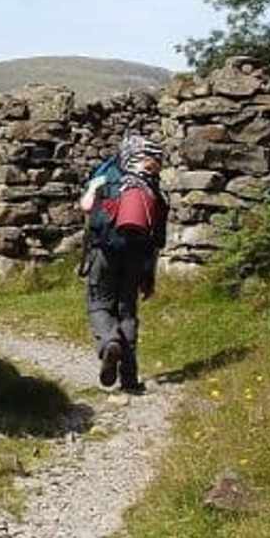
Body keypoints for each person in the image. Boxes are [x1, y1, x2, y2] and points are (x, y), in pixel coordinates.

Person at [79, 133, 167, 394]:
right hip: (137, 258)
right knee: (127, 312)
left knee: (99, 305)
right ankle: (129, 380)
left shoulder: (109, 179)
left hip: (103, 253)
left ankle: (109, 342)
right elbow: (157, 241)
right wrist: (149, 276)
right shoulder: (154, 192)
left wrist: (94, 188)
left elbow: (86, 208)